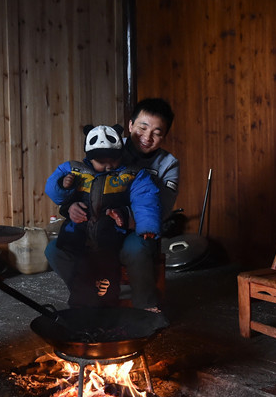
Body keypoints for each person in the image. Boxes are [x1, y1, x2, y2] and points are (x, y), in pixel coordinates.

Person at [44, 124, 161, 307]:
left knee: (135, 250)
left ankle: (145, 306)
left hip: (118, 236)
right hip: (83, 236)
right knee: (53, 250)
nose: (108, 166)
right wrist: (67, 197)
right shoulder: (75, 171)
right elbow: (54, 192)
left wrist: (146, 226)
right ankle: (87, 295)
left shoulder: (132, 174)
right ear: (89, 158)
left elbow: (146, 199)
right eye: (101, 161)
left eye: (112, 161)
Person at [119, 98, 179, 310]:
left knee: (137, 248)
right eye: (143, 127)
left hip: (141, 231)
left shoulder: (168, 164)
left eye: (157, 132)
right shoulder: (111, 149)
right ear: (130, 125)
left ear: (164, 136)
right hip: (103, 226)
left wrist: (123, 220)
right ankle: (87, 303)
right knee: (58, 248)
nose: (147, 137)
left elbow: (161, 209)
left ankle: (146, 308)